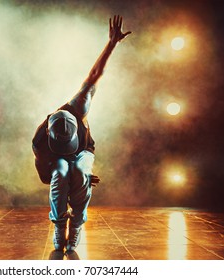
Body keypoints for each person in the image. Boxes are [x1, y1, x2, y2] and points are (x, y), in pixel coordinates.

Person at [32, 15, 131, 252]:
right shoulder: (39, 142)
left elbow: (95, 73)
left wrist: (112, 44)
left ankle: (75, 225)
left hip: (84, 152)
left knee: (77, 169)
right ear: (49, 133)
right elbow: (45, 178)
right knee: (61, 173)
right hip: (57, 163)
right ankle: (59, 226)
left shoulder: (79, 105)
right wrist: (69, 185)